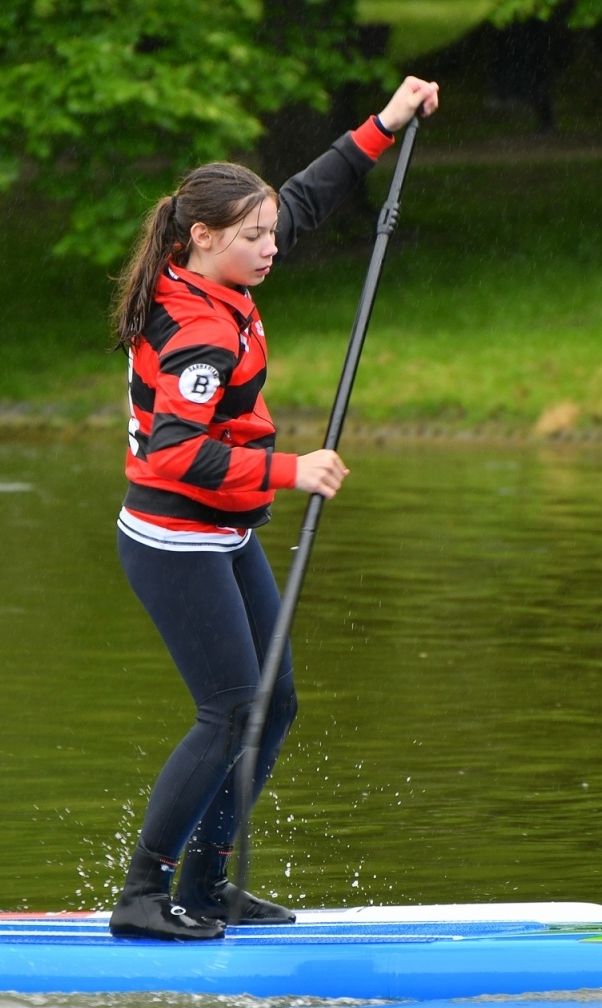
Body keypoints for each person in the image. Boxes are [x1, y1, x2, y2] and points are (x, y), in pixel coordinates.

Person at [108, 77, 440, 940]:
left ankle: (207, 882)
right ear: (202, 238)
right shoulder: (199, 333)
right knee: (229, 709)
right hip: (174, 536)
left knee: (274, 702)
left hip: (220, 530)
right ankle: (141, 895)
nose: (271, 245)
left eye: (268, 233)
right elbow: (174, 452)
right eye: (253, 236)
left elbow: (303, 198)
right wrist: (291, 470)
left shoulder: (216, 264)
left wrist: (385, 124)